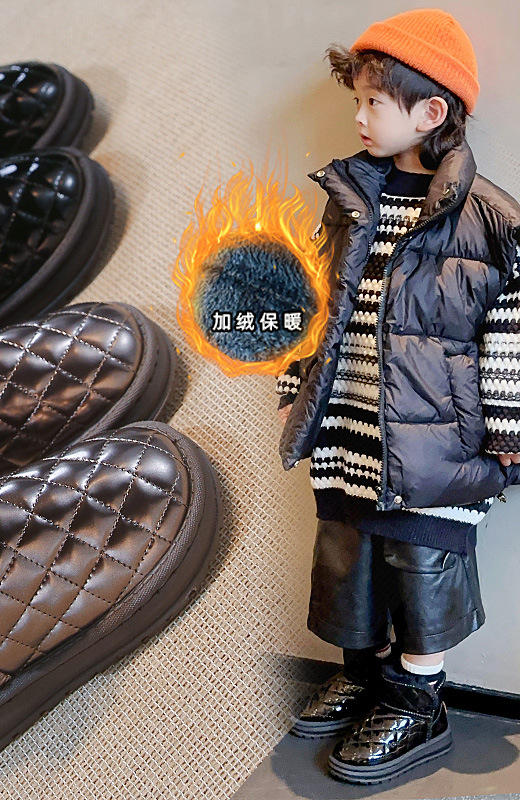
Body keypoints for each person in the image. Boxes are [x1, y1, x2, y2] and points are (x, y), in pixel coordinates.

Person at [275, 8, 520, 785]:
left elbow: (511, 329)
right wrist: (295, 381)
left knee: (423, 560)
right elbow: (317, 296)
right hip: (348, 423)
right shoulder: (353, 196)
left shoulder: (490, 220)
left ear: (431, 112)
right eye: (358, 100)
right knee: (347, 555)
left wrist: (510, 431)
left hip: (437, 440)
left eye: (373, 102)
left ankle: (420, 698)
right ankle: (368, 672)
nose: (358, 117)